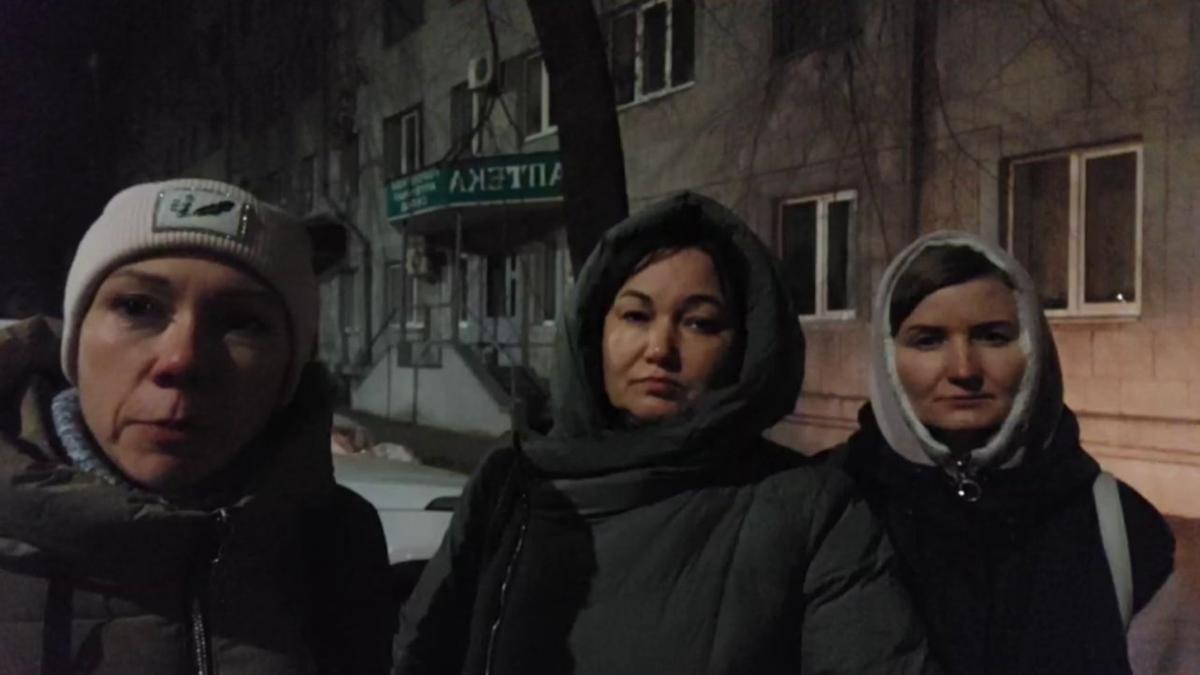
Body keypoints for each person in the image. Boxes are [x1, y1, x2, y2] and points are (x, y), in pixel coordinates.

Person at [396, 192, 936, 674]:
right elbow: (423, 653)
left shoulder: (808, 509)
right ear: (594, 328)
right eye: (636, 316)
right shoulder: (512, 482)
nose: (660, 348)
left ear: (744, 346)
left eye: (699, 323)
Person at [0, 178, 393, 674]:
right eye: (137, 307)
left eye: (243, 322)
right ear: (76, 343)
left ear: (289, 372)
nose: (182, 359)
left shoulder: (338, 539)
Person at [826, 231, 1175, 674]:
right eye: (928, 340)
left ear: (1035, 348)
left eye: (992, 336)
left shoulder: (1121, 527)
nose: (963, 369)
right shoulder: (829, 507)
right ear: (887, 357)